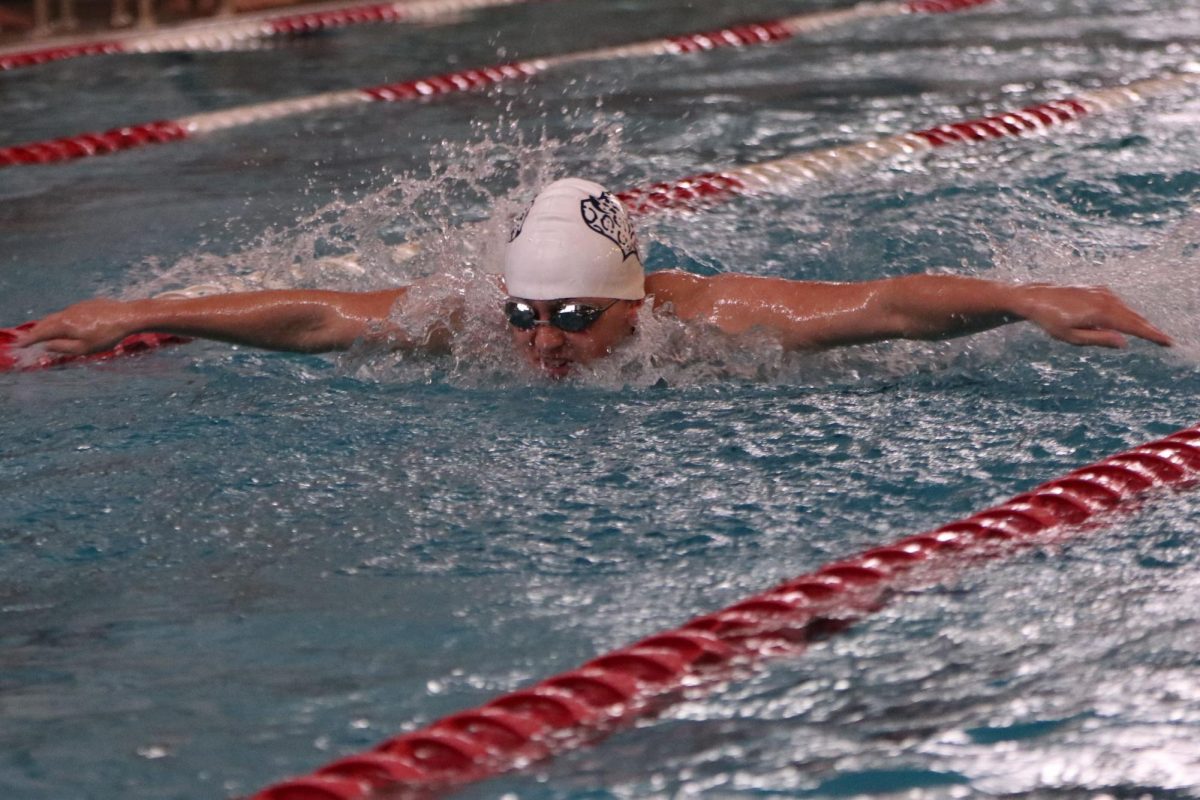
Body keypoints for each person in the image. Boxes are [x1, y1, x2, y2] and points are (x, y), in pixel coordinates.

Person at [13, 178, 1173, 379]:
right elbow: (316, 312)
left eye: (575, 317)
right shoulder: (469, 326)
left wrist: (1025, 297)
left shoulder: (714, 317)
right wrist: (138, 312)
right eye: (526, 315)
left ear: (635, 296)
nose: (542, 342)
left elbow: (887, 304)